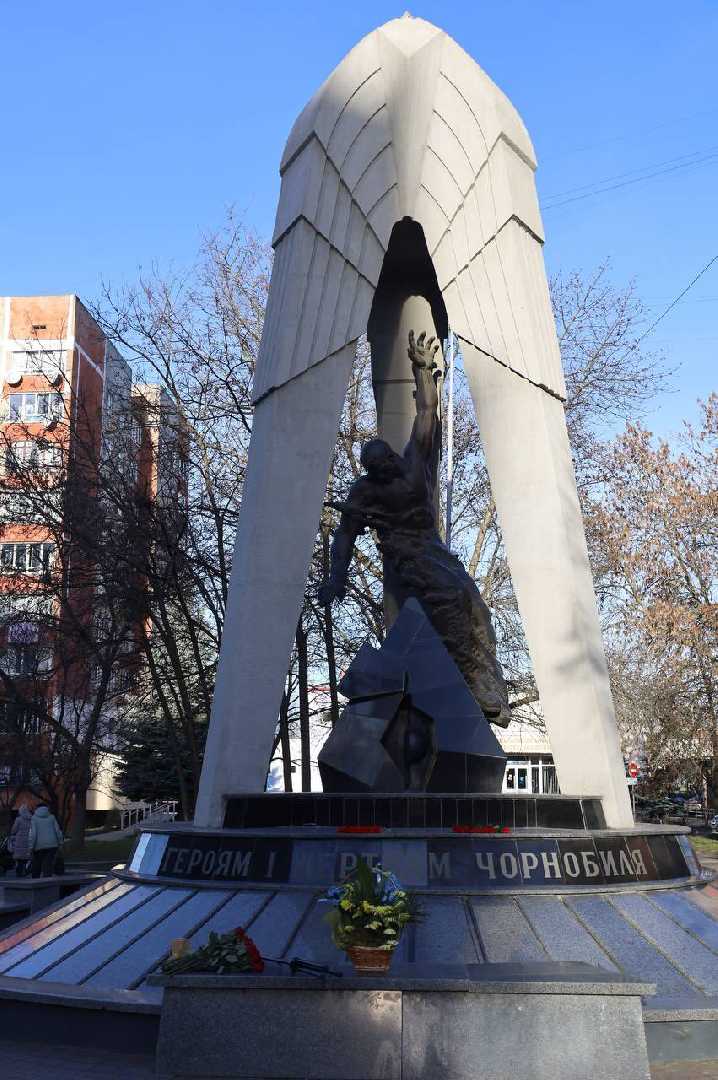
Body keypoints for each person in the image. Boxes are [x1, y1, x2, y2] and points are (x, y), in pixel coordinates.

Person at [319, 330, 511, 726]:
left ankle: (489, 689)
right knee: (450, 606)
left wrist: (424, 370)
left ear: (393, 455)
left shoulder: (414, 464)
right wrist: (336, 576)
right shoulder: (366, 491)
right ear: (371, 471)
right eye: (377, 467)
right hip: (408, 558)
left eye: (387, 460)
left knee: (477, 609)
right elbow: (344, 536)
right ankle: (475, 690)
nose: (386, 467)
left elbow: (426, 412)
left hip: (432, 549)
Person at [29, 804, 64, 878]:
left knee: (37, 864)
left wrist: (31, 847)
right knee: (48, 865)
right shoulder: (52, 817)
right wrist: (60, 843)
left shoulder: (34, 818)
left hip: (38, 845)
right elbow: (58, 831)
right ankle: (47, 880)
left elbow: (33, 834)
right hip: (52, 844)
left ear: (37, 808)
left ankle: (35, 880)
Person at [8, 804, 32, 877]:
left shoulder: (18, 819)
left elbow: (14, 830)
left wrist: (12, 833)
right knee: (25, 857)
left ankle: (19, 872)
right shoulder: (31, 819)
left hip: (19, 841)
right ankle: (24, 870)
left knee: (19, 858)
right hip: (28, 840)